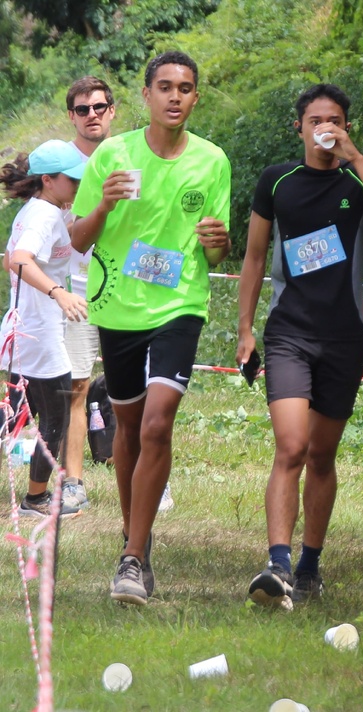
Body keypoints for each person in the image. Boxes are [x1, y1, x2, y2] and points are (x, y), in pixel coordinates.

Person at [237, 83, 363, 607]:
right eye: (315, 120)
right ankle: (278, 562)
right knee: (291, 445)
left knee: (322, 455)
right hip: (289, 331)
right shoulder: (277, 181)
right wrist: (245, 331)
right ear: (300, 127)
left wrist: (356, 159)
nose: (325, 128)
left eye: (334, 120)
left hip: (343, 337)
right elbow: (254, 256)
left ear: (345, 127)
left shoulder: (358, 183)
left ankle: (310, 563)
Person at [71, 51, 232, 606]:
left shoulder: (213, 161)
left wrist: (219, 242)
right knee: (128, 427)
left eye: (185, 88)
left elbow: (217, 250)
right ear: (145, 96)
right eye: (164, 86)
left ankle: (132, 559)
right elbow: (78, 238)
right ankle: (133, 534)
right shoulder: (114, 154)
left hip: (180, 305)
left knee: (158, 423)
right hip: (117, 306)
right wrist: (105, 205)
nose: (174, 96)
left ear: (194, 97)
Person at [0, 140, 89, 518]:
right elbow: (18, 260)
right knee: (56, 417)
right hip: (39, 333)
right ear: (49, 180)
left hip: (24, 329)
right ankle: (36, 500)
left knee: (17, 414)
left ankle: (35, 496)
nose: (78, 186)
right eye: (73, 180)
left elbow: (7, 257)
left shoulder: (39, 210)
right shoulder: (43, 216)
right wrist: (57, 293)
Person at [61, 76, 116, 510]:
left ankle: (153, 475)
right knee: (77, 384)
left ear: (112, 111)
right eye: (83, 109)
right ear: (72, 116)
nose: (92, 115)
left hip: (128, 287)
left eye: (99, 107)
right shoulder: (58, 165)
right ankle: (73, 482)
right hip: (74, 289)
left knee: (141, 389)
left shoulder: (133, 156)